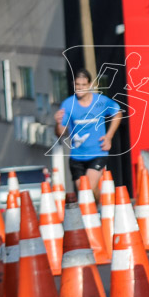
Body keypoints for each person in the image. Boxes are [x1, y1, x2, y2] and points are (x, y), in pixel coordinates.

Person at [54, 68, 123, 201]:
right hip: (77, 156)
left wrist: (109, 136)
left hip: (98, 152)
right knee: (83, 193)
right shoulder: (68, 104)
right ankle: (98, 208)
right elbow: (61, 133)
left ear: (90, 85)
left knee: (89, 187)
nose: (80, 88)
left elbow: (117, 112)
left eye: (83, 85)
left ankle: (99, 209)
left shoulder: (101, 101)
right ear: (73, 85)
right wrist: (57, 124)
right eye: (77, 85)